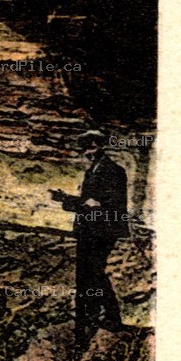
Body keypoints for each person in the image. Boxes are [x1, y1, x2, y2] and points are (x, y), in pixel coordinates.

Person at [50, 129, 130, 346]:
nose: (88, 152)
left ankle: (107, 318)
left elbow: (113, 205)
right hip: (89, 230)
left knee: (92, 274)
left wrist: (94, 205)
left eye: (92, 146)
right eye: (85, 148)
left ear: (100, 146)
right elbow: (88, 203)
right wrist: (65, 200)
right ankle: (96, 316)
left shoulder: (113, 171)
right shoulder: (92, 171)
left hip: (103, 231)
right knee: (88, 275)